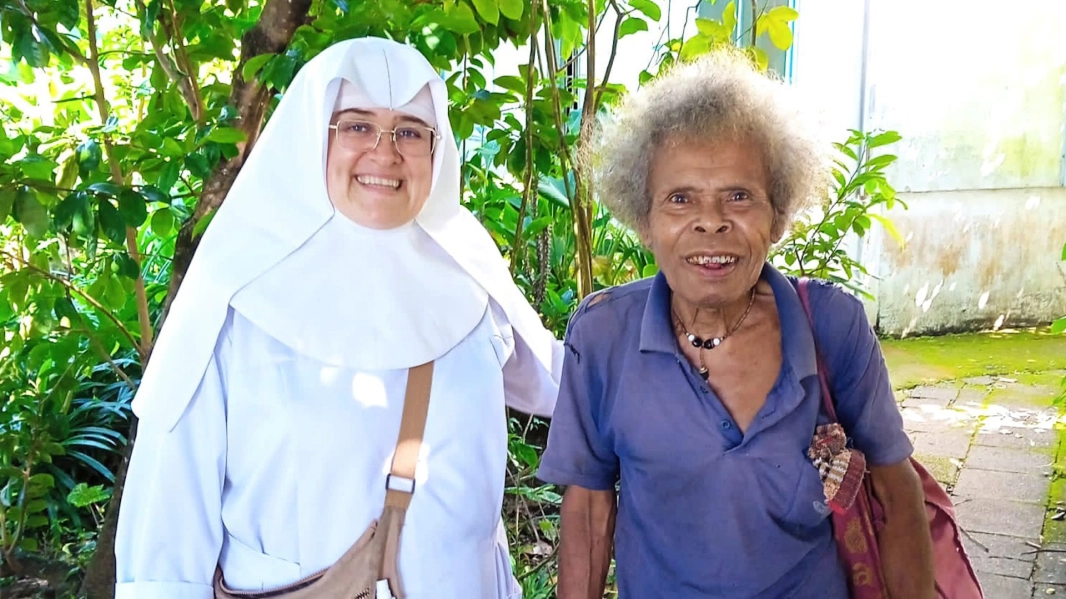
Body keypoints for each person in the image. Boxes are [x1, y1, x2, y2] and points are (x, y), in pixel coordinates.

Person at [115, 37, 562, 599]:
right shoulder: (234, 289)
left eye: (409, 131)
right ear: (312, 133)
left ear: (437, 147)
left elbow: (567, 388)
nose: (385, 152)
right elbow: (166, 525)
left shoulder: (467, 269)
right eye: (355, 126)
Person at [537, 49, 935, 598]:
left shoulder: (832, 326)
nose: (711, 222)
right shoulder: (603, 335)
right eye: (680, 199)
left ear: (777, 216)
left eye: (739, 197)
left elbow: (896, 488)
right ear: (644, 219)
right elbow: (587, 508)